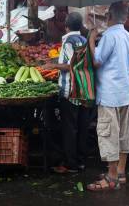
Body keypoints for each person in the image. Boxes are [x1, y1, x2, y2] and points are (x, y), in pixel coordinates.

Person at [87, 1, 129, 191]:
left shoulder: (109, 36)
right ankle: (120, 172)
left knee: (109, 133)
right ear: (126, 18)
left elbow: (97, 62)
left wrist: (92, 40)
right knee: (123, 134)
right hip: (125, 93)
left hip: (109, 94)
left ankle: (111, 178)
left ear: (109, 17)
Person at [42, 12, 92, 174]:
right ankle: (81, 161)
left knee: (70, 128)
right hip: (84, 89)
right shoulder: (85, 40)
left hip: (71, 90)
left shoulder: (69, 41)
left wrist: (53, 66)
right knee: (82, 127)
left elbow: (72, 65)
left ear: (66, 25)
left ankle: (71, 164)